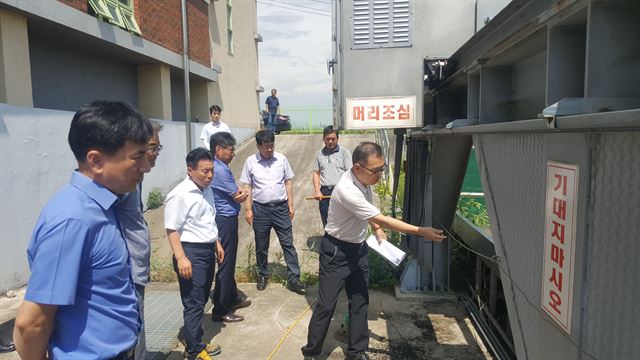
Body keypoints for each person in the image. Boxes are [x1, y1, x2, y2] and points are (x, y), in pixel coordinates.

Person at [13, 100, 152, 360]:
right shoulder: (72, 219)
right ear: (96, 160)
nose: (146, 166)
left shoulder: (107, 205)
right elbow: (30, 323)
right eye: (137, 157)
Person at [301, 142, 447, 360]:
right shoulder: (347, 189)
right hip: (336, 252)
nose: (379, 174)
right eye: (376, 170)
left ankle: (357, 352)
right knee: (326, 305)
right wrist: (420, 231)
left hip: (358, 250)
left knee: (360, 301)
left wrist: (376, 230)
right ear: (358, 168)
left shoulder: (364, 180)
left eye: (382, 168)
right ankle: (312, 351)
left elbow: (370, 216)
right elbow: (380, 217)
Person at [165, 148, 224, 360]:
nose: (210, 175)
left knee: (200, 300)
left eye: (212, 171)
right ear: (190, 171)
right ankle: (194, 351)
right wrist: (181, 257)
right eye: (205, 171)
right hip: (190, 252)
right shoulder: (179, 194)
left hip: (207, 249)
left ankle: (196, 340)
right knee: (193, 302)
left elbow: (208, 218)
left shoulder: (206, 190)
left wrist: (216, 242)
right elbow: (172, 229)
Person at [116, 121, 163, 359]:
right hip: (127, 273)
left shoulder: (134, 181)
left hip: (135, 270)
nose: (153, 155)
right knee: (133, 335)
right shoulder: (120, 184)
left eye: (156, 148)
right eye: (150, 148)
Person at [240, 130, 306, 293]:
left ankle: (294, 278)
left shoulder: (281, 159)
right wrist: (248, 209)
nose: (269, 150)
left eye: (271, 146)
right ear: (258, 146)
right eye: (265, 147)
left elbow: (288, 183)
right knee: (261, 246)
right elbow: (247, 186)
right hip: (260, 210)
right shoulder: (250, 162)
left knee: (287, 243)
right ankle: (263, 275)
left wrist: (291, 205)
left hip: (280, 209)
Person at [209, 132, 252, 323]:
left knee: (229, 261)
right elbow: (238, 195)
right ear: (218, 149)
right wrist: (246, 192)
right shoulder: (219, 169)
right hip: (224, 220)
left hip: (226, 218)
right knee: (226, 263)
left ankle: (232, 297)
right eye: (230, 149)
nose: (233, 153)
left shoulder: (220, 167)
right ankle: (221, 308)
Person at [312, 125, 353, 227]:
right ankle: (329, 241)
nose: (330, 142)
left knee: (342, 220)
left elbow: (350, 173)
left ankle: (341, 242)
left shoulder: (344, 153)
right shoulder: (319, 154)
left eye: (333, 139)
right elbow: (316, 173)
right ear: (323, 139)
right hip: (325, 192)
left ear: (338, 139)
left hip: (341, 191)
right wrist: (317, 190)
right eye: (328, 139)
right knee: (326, 220)